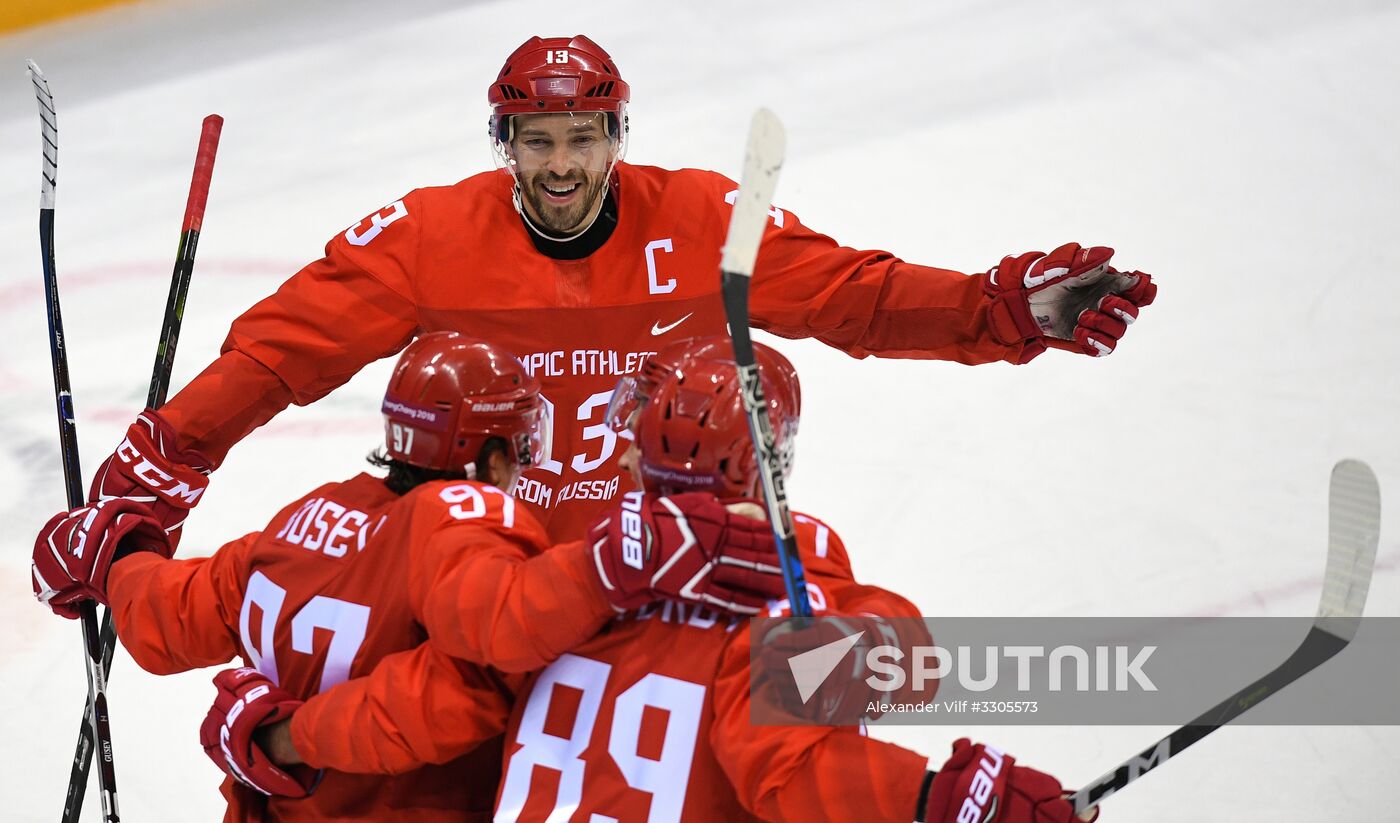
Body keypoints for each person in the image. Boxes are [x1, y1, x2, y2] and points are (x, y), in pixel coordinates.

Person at [74, 33, 1158, 547]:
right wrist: (170, 452)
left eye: (580, 139)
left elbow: (850, 298)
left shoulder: (695, 218)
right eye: (536, 140)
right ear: (504, 141)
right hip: (476, 576)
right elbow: (281, 353)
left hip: (655, 563)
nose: (558, 165)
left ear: (612, 137)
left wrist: (997, 310)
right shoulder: (427, 233)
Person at [197, 337, 1092, 823]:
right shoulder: (783, 595)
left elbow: (445, 683)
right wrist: (945, 800)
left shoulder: (565, 580)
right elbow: (808, 757)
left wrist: (284, 738)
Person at [31, 332, 784, 822]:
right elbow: (473, 672)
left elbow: (170, 622)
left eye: (634, 444)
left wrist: (118, 554)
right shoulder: (784, 585)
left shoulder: (308, 517)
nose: (612, 465)